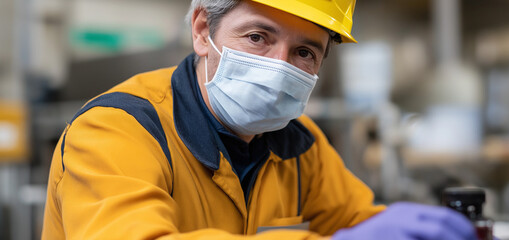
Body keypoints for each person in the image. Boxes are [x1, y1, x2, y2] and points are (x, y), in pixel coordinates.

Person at [41, 0, 477, 239]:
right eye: (257, 37)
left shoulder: (301, 144)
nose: (279, 66)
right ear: (201, 31)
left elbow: (358, 223)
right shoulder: (116, 129)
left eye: (304, 52)